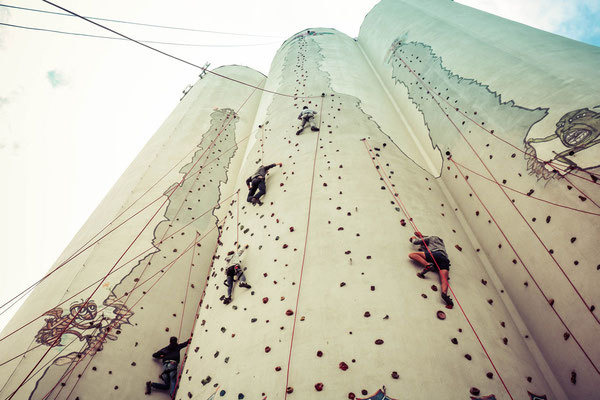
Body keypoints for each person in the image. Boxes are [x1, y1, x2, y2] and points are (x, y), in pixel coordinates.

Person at [408, 232, 454, 308]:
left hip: (435, 254)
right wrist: (421, 236)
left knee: (412, 255)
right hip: (444, 259)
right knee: (444, 280)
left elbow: (416, 242)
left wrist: (413, 238)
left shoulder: (430, 238)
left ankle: (427, 265)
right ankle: (444, 294)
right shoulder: (441, 243)